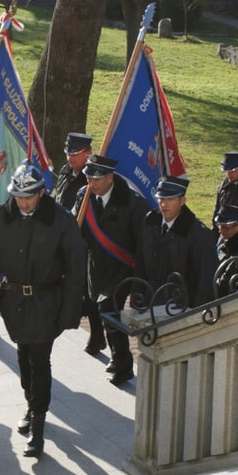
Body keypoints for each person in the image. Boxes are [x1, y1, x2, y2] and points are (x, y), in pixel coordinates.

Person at [0, 160, 86, 458]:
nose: (23, 203)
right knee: (24, 357)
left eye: (29, 197)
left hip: (47, 301)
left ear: (41, 193)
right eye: (18, 197)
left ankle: (38, 424)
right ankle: (31, 402)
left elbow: (76, 269)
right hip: (14, 303)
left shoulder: (61, 221)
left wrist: (70, 314)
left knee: (39, 358)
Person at [75, 154, 151, 386]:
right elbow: (76, 226)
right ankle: (105, 346)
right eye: (88, 178)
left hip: (121, 268)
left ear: (110, 177)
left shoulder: (133, 203)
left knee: (110, 313)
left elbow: (143, 241)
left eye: (96, 179)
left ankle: (123, 364)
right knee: (97, 310)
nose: (91, 184)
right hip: (95, 266)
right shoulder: (84, 196)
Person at [53, 132, 105, 356]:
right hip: (62, 237)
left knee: (89, 291)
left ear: (88, 153)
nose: (69, 158)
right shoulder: (65, 173)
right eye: (67, 153)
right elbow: (58, 197)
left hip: (85, 243)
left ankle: (97, 335)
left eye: (74, 153)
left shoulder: (90, 179)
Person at [134, 176, 218, 309]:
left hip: (178, 310)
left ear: (182, 201)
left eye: (170, 199)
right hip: (149, 305)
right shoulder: (149, 222)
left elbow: (205, 283)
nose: (164, 204)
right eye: (161, 199)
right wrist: (137, 297)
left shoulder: (199, 235)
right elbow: (140, 264)